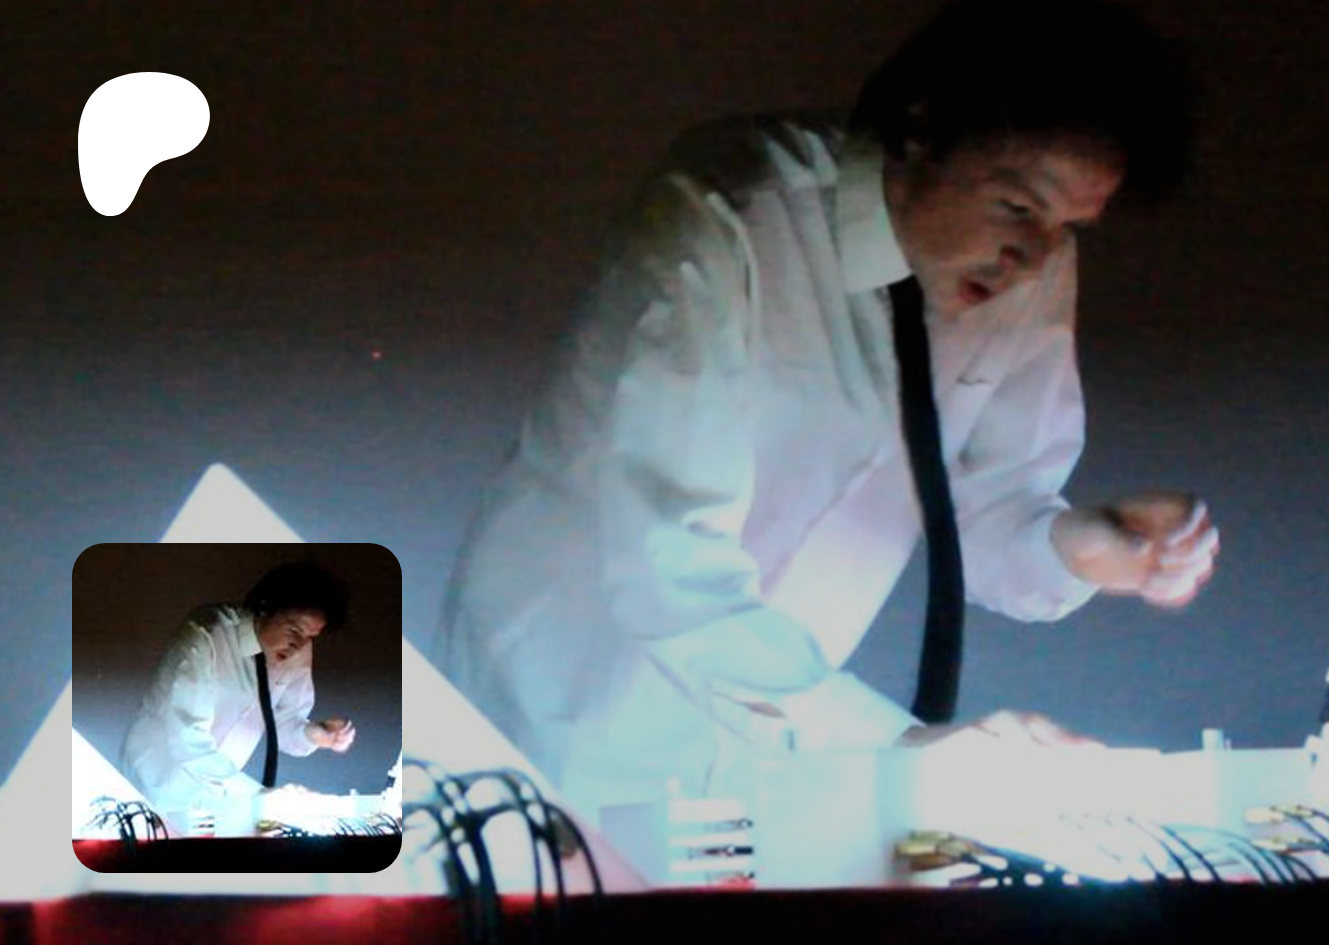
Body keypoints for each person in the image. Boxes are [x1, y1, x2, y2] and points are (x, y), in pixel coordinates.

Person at [440, 0, 1220, 813]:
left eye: (1068, 225)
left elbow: (977, 514)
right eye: (1019, 207)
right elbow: (668, 557)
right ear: (919, 129)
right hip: (570, 704)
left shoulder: (1034, 268)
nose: (1032, 256)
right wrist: (894, 746)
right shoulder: (730, 210)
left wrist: (1078, 545)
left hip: (778, 738)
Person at [121, 562, 359, 814]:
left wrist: (313, 733)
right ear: (265, 608)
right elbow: (187, 738)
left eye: (310, 636)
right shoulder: (206, 633)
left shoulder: (298, 650)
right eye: (294, 630)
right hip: (155, 784)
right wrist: (259, 796)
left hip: (219, 796)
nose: (299, 645)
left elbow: (281, 723)